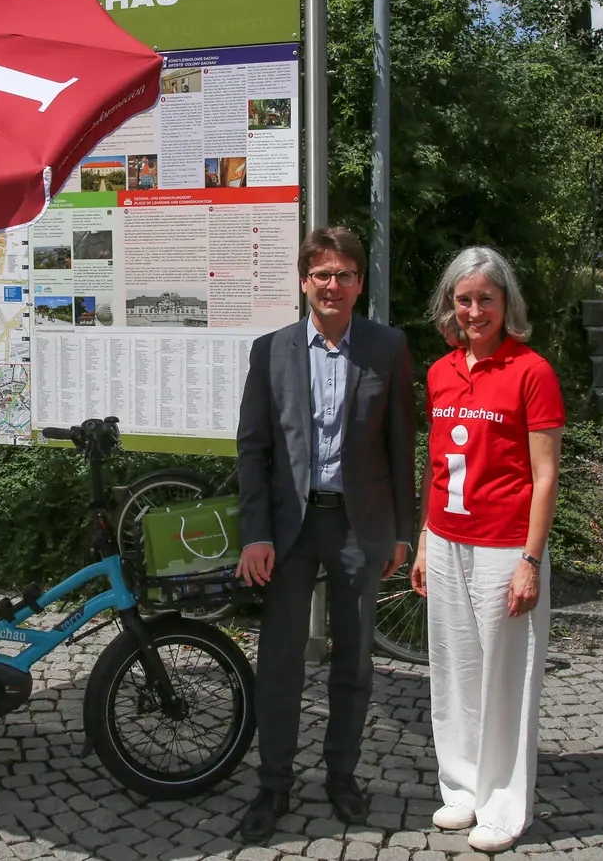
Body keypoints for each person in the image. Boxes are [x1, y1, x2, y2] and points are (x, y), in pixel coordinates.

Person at [234, 226, 417, 844]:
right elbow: (253, 449)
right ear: (304, 282)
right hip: (291, 527)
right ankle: (274, 783)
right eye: (321, 275)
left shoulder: (387, 348)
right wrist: (255, 534)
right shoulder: (272, 350)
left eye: (343, 275)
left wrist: (401, 531)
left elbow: (401, 446)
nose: (332, 285)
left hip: (359, 526)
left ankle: (342, 774)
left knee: (354, 659)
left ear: (359, 283)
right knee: (281, 660)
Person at [411, 246, 563, 853]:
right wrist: (425, 539)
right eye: (464, 299)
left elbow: (545, 476)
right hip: (447, 540)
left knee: (507, 679)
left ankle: (503, 805)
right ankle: (463, 789)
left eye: (486, 299)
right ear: (450, 304)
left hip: (505, 546)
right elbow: (436, 465)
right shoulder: (441, 372)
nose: (474, 311)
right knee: (454, 672)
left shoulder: (532, 371)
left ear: (506, 303)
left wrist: (531, 560)